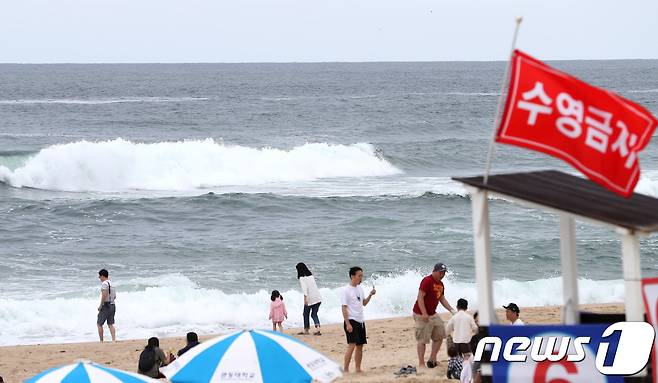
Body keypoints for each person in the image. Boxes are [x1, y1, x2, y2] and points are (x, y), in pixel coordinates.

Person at [412, 262, 456, 369]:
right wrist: (424, 313)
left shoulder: (441, 285)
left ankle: (432, 359)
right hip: (420, 313)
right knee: (422, 339)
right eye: (441, 272)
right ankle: (421, 363)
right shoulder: (427, 280)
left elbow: (441, 298)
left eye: (444, 272)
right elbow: (420, 297)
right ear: (435, 271)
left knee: (440, 335)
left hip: (433, 313)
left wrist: (451, 309)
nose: (443, 275)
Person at [341, 266, 376, 373]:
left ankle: (358, 368)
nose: (361, 278)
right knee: (351, 346)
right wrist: (347, 324)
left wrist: (370, 294)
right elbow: (344, 307)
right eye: (359, 276)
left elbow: (364, 303)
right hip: (351, 320)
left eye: (362, 276)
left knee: (360, 346)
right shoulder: (346, 290)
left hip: (360, 321)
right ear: (352, 276)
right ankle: (346, 369)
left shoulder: (360, 289)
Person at [296, 262, 323, 335]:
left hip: (310, 299)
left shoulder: (302, 278)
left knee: (305, 314)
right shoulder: (311, 276)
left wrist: (305, 299)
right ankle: (318, 328)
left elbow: (305, 289)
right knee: (314, 314)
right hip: (318, 298)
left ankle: (306, 330)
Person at [97, 268, 116, 342]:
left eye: (99, 276)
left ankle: (101, 340)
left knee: (99, 324)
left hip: (106, 305)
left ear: (102, 276)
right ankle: (113, 340)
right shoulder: (112, 284)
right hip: (113, 305)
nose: (99, 278)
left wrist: (101, 305)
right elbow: (115, 296)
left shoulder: (104, 284)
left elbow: (104, 295)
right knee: (110, 324)